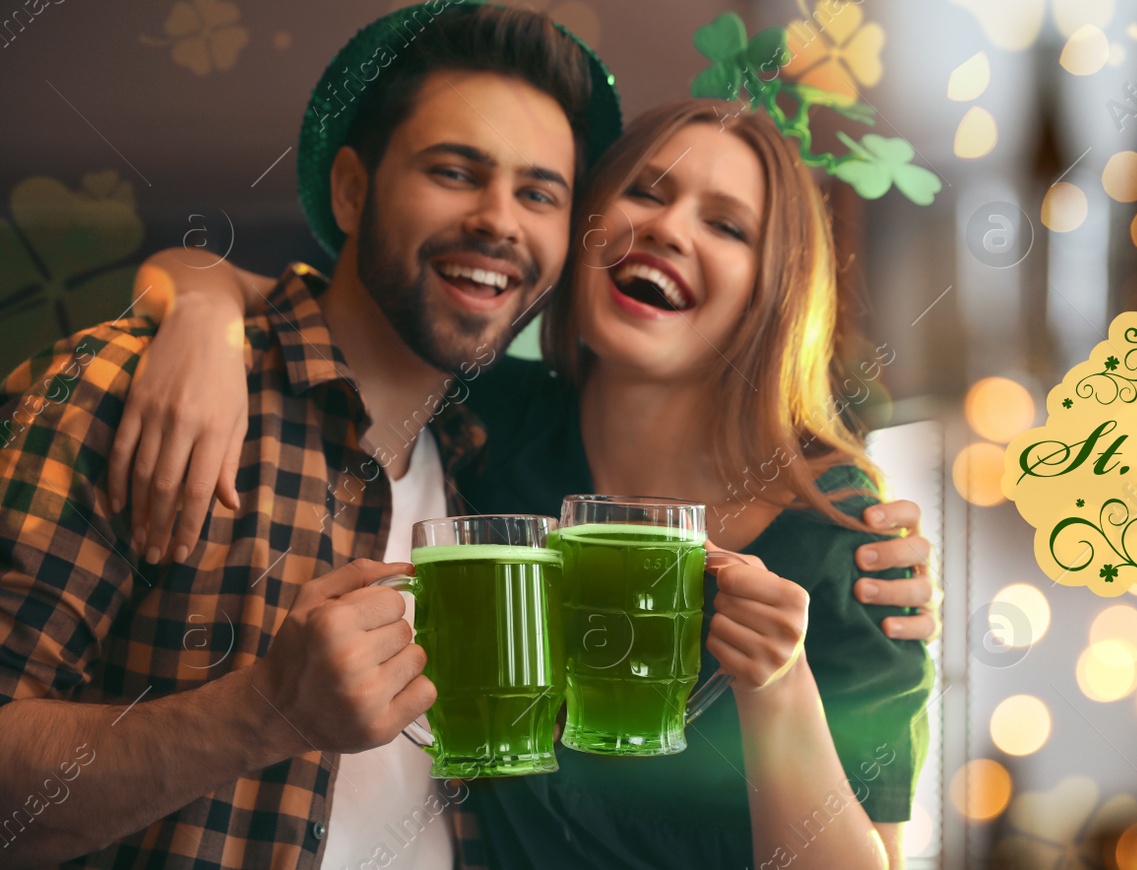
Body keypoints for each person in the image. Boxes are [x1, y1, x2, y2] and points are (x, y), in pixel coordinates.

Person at [0, 4, 936, 867]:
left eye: (539, 193)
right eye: (455, 172)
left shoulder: (842, 545)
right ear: (354, 189)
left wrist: (780, 685)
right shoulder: (495, 430)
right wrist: (196, 298)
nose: (497, 219)